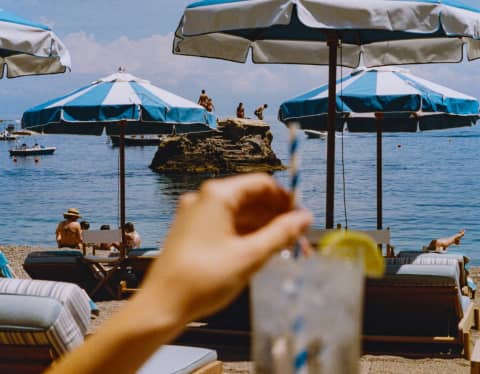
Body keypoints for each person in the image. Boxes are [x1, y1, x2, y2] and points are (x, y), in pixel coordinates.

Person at [46, 174, 312, 374]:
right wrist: (169, 303)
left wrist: (163, 303)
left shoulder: (62, 226)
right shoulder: (86, 229)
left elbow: (65, 240)